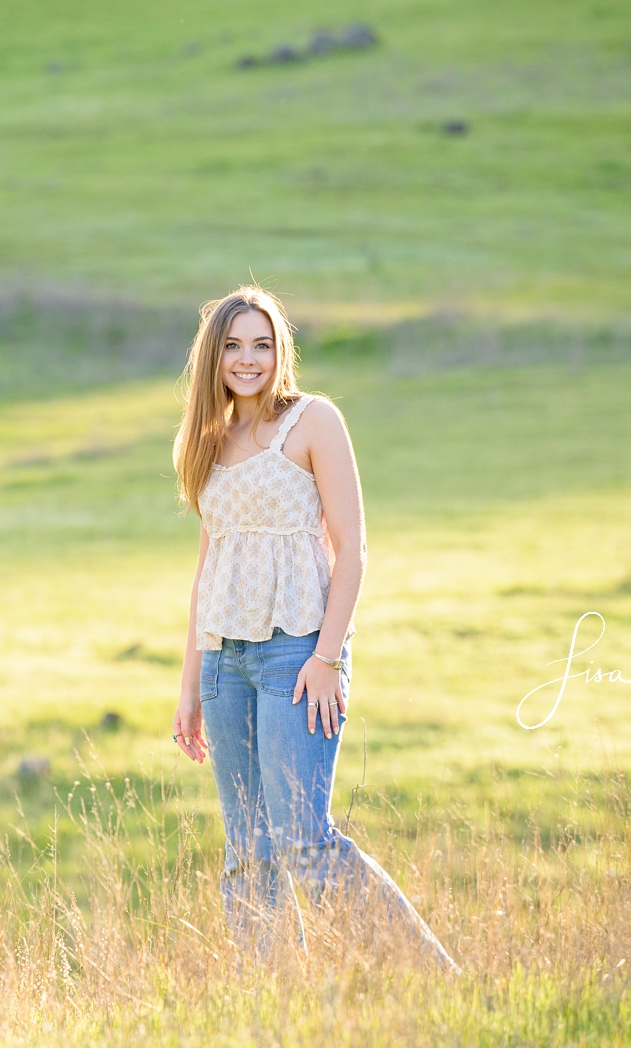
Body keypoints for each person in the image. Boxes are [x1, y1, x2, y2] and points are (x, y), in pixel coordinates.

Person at [169, 284, 459, 970]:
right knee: (248, 852)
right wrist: (189, 687)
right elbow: (208, 567)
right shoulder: (209, 439)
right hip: (224, 662)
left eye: (262, 344)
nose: (248, 359)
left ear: (280, 351)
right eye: (234, 345)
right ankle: (279, 1010)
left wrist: (327, 657)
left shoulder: (314, 421)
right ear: (214, 356)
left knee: (304, 838)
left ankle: (433, 981)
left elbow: (352, 547)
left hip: (297, 655)